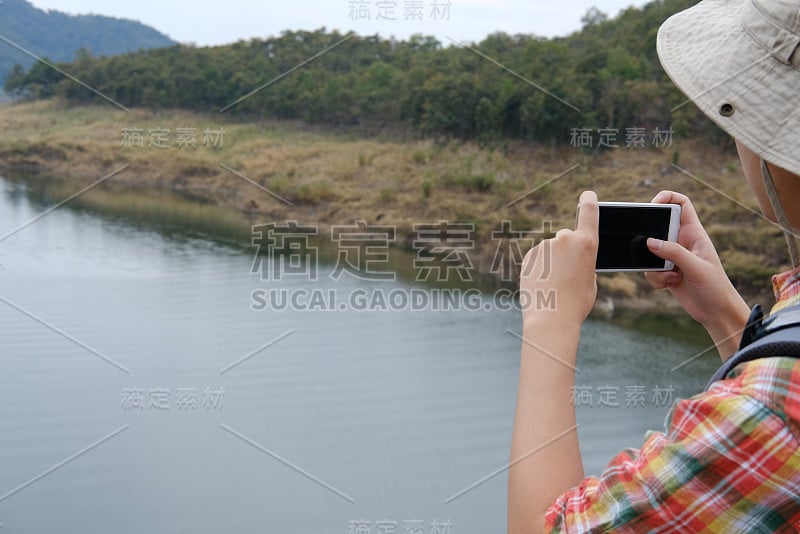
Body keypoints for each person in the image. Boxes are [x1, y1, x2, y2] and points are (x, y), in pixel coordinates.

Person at [507, 0, 800, 531]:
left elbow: (544, 527)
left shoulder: (774, 409)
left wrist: (548, 324)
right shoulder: (778, 392)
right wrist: (731, 320)